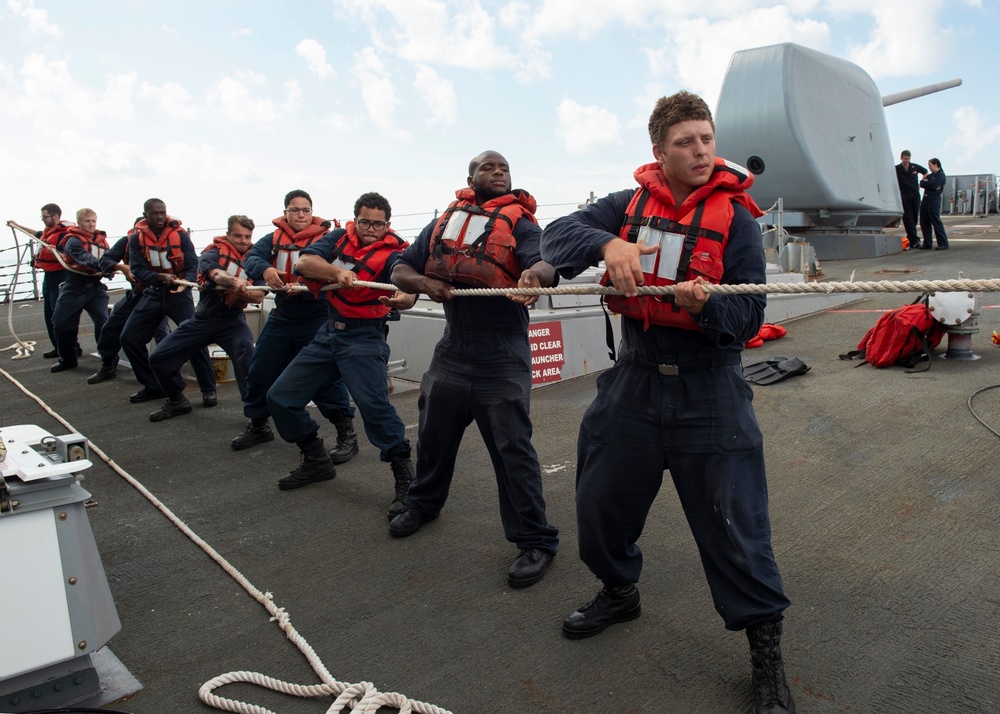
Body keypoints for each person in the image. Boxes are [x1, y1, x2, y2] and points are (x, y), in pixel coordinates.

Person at [540, 91, 794, 713]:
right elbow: (556, 232)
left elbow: (749, 314)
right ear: (659, 152)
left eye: (707, 139)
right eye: (687, 142)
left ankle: (765, 655)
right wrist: (609, 247)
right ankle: (618, 590)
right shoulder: (624, 206)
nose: (702, 150)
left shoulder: (737, 222)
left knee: (736, 526)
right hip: (635, 375)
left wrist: (706, 303)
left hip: (711, 388)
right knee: (600, 501)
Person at [387, 150, 560, 589]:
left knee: (512, 451)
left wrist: (535, 276)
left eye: (504, 168)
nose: (499, 172)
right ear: (470, 177)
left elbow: (543, 261)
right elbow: (400, 266)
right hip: (453, 350)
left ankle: (535, 540)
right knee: (432, 434)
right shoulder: (447, 219)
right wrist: (424, 283)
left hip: (502, 353)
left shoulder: (520, 222)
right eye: (489, 167)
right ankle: (424, 503)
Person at [267, 192, 416, 517]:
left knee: (375, 408)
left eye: (378, 224)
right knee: (280, 397)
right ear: (356, 219)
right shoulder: (336, 239)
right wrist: (337, 274)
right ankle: (316, 459)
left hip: (365, 338)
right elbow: (304, 262)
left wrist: (405, 298)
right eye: (365, 222)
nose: (371, 229)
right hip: (328, 332)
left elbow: (404, 281)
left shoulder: (395, 252)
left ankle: (406, 479)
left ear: (387, 225)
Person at [233, 190, 357, 464]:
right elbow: (251, 257)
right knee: (260, 370)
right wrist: (265, 270)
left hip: (317, 316)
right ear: (285, 212)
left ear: (312, 212)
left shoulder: (327, 238)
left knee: (324, 378)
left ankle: (346, 433)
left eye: (305, 209)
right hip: (283, 316)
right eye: (294, 209)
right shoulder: (273, 239)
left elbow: (334, 265)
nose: (300, 214)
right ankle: (258, 425)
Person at [146, 215, 263, 421]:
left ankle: (258, 422)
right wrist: (233, 282)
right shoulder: (212, 252)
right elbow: (214, 273)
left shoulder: (256, 259)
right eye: (238, 236)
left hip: (233, 321)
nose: (243, 241)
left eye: (247, 236)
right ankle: (176, 400)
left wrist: (242, 293)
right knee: (158, 357)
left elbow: (259, 294)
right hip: (203, 319)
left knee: (249, 362)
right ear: (228, 235)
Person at [121, 198, 217, 405]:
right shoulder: (136, 240)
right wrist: (158, 278)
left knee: (194, 338)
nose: (159, 217)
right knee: (129, 338)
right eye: (154, 213)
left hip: (179, 294)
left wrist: (187, 282)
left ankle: (208, 388)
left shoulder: (181, 236)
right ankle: (153, 385)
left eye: (162, 212)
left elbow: (193, 263)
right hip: (154, 292)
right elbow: (136, 269)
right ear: (146, 215)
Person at [86, 219, 170, 385]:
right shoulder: (127, 242)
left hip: (158, 295)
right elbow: (105, 261)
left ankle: (166, 371)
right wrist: (122, 268)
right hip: (137, 294)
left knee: (161, 332)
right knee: (111, 327)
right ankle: (108, 364)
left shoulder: (167, 243)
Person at [6, 204, 76, 358]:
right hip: (49, 277)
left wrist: (55, 251)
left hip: (60, 275)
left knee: (60, 315)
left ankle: (71, 348)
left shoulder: (64, 235)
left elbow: (67, 254)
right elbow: (36, 234)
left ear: (55, 217)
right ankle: (58, 347)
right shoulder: (48, 232)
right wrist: (17, 226)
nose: (43, 220)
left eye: (45, 217)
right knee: (49, 314)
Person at [49, 208, 111, 372]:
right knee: (61, 324)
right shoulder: (73, 241)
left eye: (93, 221)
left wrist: (111, 269)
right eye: (87, 221)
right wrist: (106, 265)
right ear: (79, 223)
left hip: (95, 286)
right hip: (74, 286)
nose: (91, 224)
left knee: (104, 322)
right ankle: (68, 359)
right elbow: (83, 257)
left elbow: (109, 257)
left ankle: (108, 361)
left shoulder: (101, 241)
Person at [895, 151, 926, 250]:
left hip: (915, 194)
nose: (907, 160)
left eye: (908, 158)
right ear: (901, 158)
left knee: (914, 216)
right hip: (904, 194)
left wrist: (921, 182)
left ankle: (911, 237)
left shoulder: (914, 167)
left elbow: (925, 172)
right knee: (908, 218)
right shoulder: (897, 169)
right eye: (905, 158)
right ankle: (914, 240)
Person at [919, 158, 949, 250]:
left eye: (930, 165)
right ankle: (927, 243)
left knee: (935, 220)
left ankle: (943, 243)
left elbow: (934, 185)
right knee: (924, 221)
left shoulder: (941, 175)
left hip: (934, 199)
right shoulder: (931, 176)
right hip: (926, 198)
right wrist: (926, 182)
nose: (929, 167)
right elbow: (922, 183)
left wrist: (927, 183)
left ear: (936, 164)